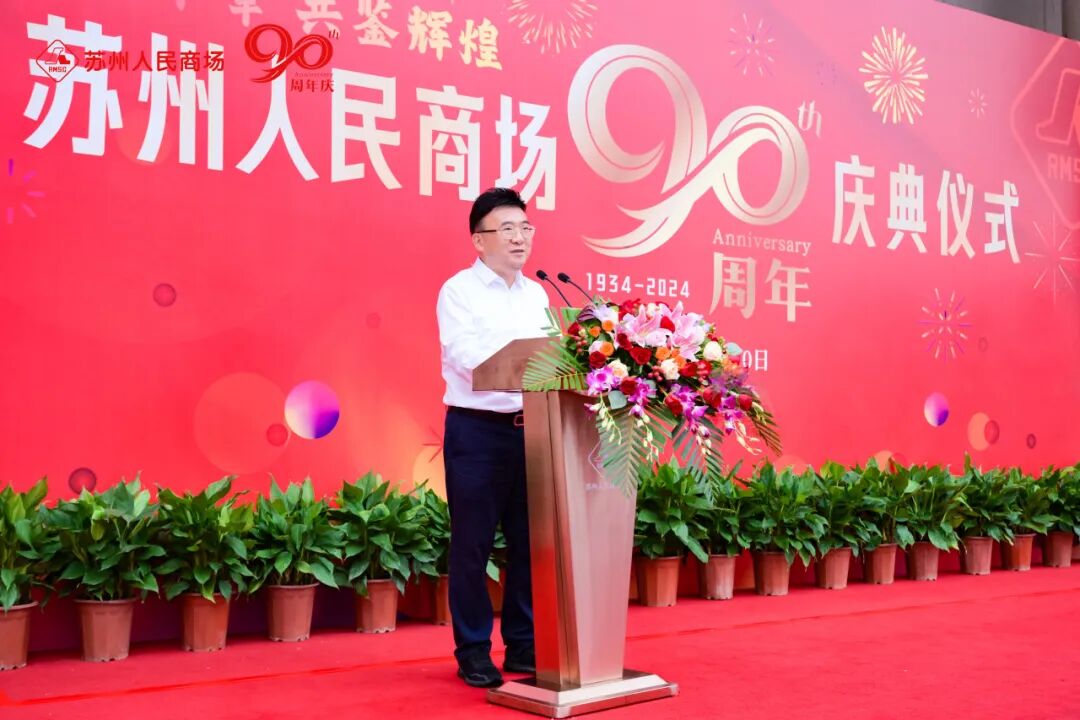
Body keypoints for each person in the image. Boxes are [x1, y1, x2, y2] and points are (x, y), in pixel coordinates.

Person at [436, 187, 550, 688]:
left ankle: (523, 645)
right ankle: (474, 650)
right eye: (506, 229)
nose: (519, 238)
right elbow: (466, 357)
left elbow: (553, 357)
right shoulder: (458, 291)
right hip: (477, 432)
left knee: (529, 543)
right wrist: (525, 363)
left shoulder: (538, 293)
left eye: (525, 228)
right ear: (479, 240)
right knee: (472, 545)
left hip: (534, 429)